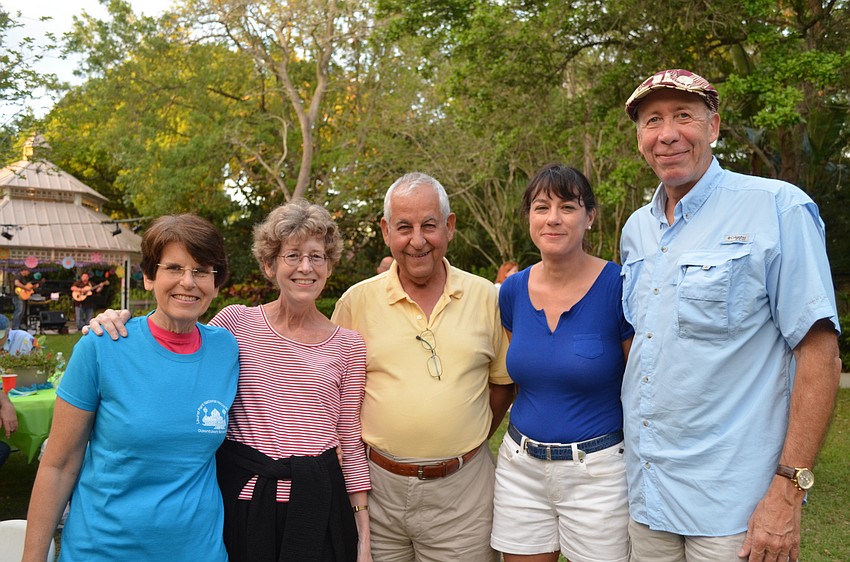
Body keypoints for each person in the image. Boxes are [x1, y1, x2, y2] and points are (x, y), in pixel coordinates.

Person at [620, 68, 841, 562]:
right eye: (652, 120)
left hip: (735, 510)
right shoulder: (637, 230)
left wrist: (788, 491)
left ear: (714, 127)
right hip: (648, 498)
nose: (667, 133)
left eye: (684, 116)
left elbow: (820, 356)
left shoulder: (777, 208)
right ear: (640, 139)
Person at [86, 200, 371, 562]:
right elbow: (179, 345)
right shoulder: (235, 324)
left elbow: (350, 437)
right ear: (269, 265)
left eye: (317, 257)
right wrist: (119, 320)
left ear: (329, 265)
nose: (306, 267)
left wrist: (363, 536)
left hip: (318, 506)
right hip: (245, 503)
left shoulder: (349, 345)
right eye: (293, 255)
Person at [23, 214, 239, 561]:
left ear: (216, 283)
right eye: (174, 268)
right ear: (149, 277)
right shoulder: (103, 345)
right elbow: (58, 466)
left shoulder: (227, 350)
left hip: (198, 552)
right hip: (104, 551)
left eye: (202, 270)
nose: (189, 282)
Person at [331, 172, 514, 561]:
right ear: (385, 231)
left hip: (463, 495)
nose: (417, 240)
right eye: (404, 227)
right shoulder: (355, 303)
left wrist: (465, 437)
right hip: (376, 493)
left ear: (449, 226)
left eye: (429, 225)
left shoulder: (487, 297)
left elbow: (503, 385)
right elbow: (333, 395)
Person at [491, 164, 633, 562]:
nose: (553, 218)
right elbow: (524, 374)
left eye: (567, 207)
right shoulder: (513, 292)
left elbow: (640, 383)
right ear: (529, 218)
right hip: (521, 468)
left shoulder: (618, 287)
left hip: (598, 473)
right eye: (541, 207)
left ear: (589, 217)